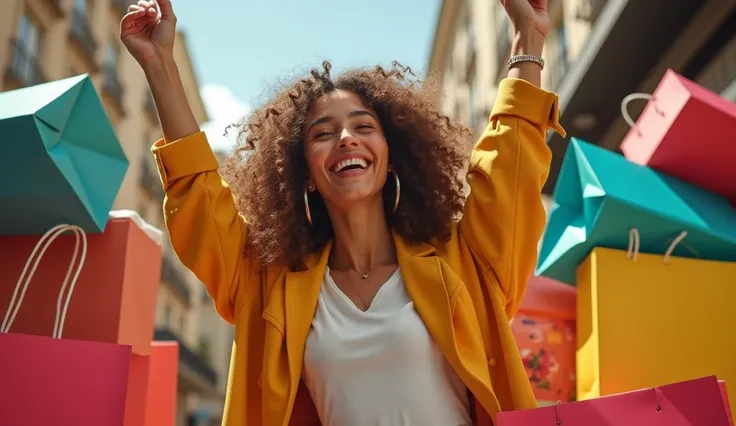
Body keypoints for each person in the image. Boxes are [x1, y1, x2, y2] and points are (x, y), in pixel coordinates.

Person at [121, 0, 566, 424]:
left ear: (391, 157)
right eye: (323, 133)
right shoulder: (271, 286)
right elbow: (200, 200)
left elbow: (509, 169)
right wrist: (159, 64)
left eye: (364, 126)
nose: (346, 138)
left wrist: (528, 34)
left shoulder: (462, 262)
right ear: (307, 174)